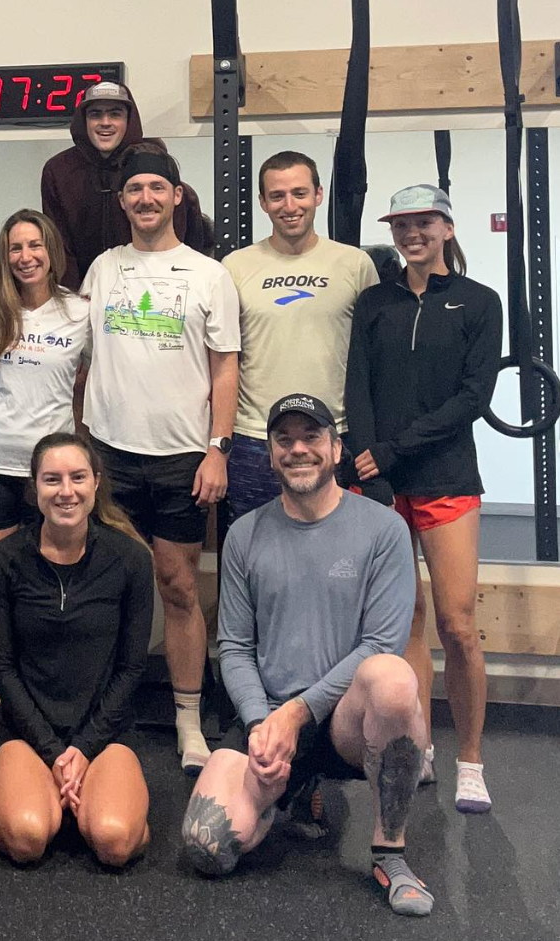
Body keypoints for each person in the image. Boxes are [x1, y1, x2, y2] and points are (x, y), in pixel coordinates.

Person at [182, 393, 431, 917]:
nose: (299, 449)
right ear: (271, 454)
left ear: (336, 449)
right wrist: (261, 726)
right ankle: (285, 792)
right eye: (285, 440)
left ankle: (390, 852)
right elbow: (235, 646)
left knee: (394, 679)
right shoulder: (245, 534)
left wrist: (297, 714)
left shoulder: (384, 530)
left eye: (312, 437)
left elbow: (381, 644)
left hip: (343, 717)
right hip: (269, 715)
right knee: (207, 845)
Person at [80, 145, 240, 774]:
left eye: (157, 188)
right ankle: (92, 712)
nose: (145, 198)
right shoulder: (102, 269)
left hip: (181, 458)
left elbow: (225, 367)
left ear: (176, 195)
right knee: (99, 586)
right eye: (134, 190)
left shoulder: (208, 274)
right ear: (122, 203)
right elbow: (82, 359)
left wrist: (217, 449)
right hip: (108, 455)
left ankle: (188, 720)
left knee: (177, 587)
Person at [345, 185, 502, 812]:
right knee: (403, 623)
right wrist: (370, 467)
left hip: (446, 478)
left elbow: (472, 398)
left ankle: (470, 760)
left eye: (424, 223)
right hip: (382, 482)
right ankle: (421, 744)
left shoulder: (478, 302)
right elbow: (356, 387)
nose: (412, 234)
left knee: (458, 625)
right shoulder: (373, 303)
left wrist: (392, 448)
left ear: (446, 227)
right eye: (402, 224)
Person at [0, 433, 153, 867]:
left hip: (105, 730)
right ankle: (33, 801)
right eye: (51, 479)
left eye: (78, 477)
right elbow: (0, 667)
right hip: (27, 729)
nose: (66, 491)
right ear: (34, 488)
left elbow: (132, 669)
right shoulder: (4, 560)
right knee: (26, 838)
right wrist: (53, 751)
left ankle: (96, 805)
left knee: (115, 842)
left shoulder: (131, 558)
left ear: (96, 483)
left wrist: (84, 747)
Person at [0, 209, 91, 761]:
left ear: (51, 250)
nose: (25, 257)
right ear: (3, 254)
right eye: (15, 248)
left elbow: (86, 384)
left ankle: (56, 715)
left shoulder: (79, 312)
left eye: (35, 246)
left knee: (51, 600)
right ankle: (7, 720)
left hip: (52, 474)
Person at [222, 152, 378, 520]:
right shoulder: (235, 266)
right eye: (277, 196)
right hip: (255, 437)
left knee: (337, 559)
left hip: (333, 435)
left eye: (299, 193)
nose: (289, 206)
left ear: (318, 195)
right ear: (262, 202)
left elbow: (376, 359)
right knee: (256, 553)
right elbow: (223, 357)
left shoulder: (355, 265)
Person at [40, 82, 206, 290]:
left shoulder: (152, 162)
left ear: (129, 119)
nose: (105, 122)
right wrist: (71, 301)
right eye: (95, 114)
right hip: (83, 296)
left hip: (155, 291)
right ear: (84, 120)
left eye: (115, 114)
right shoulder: (59, 171)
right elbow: (59, 246)